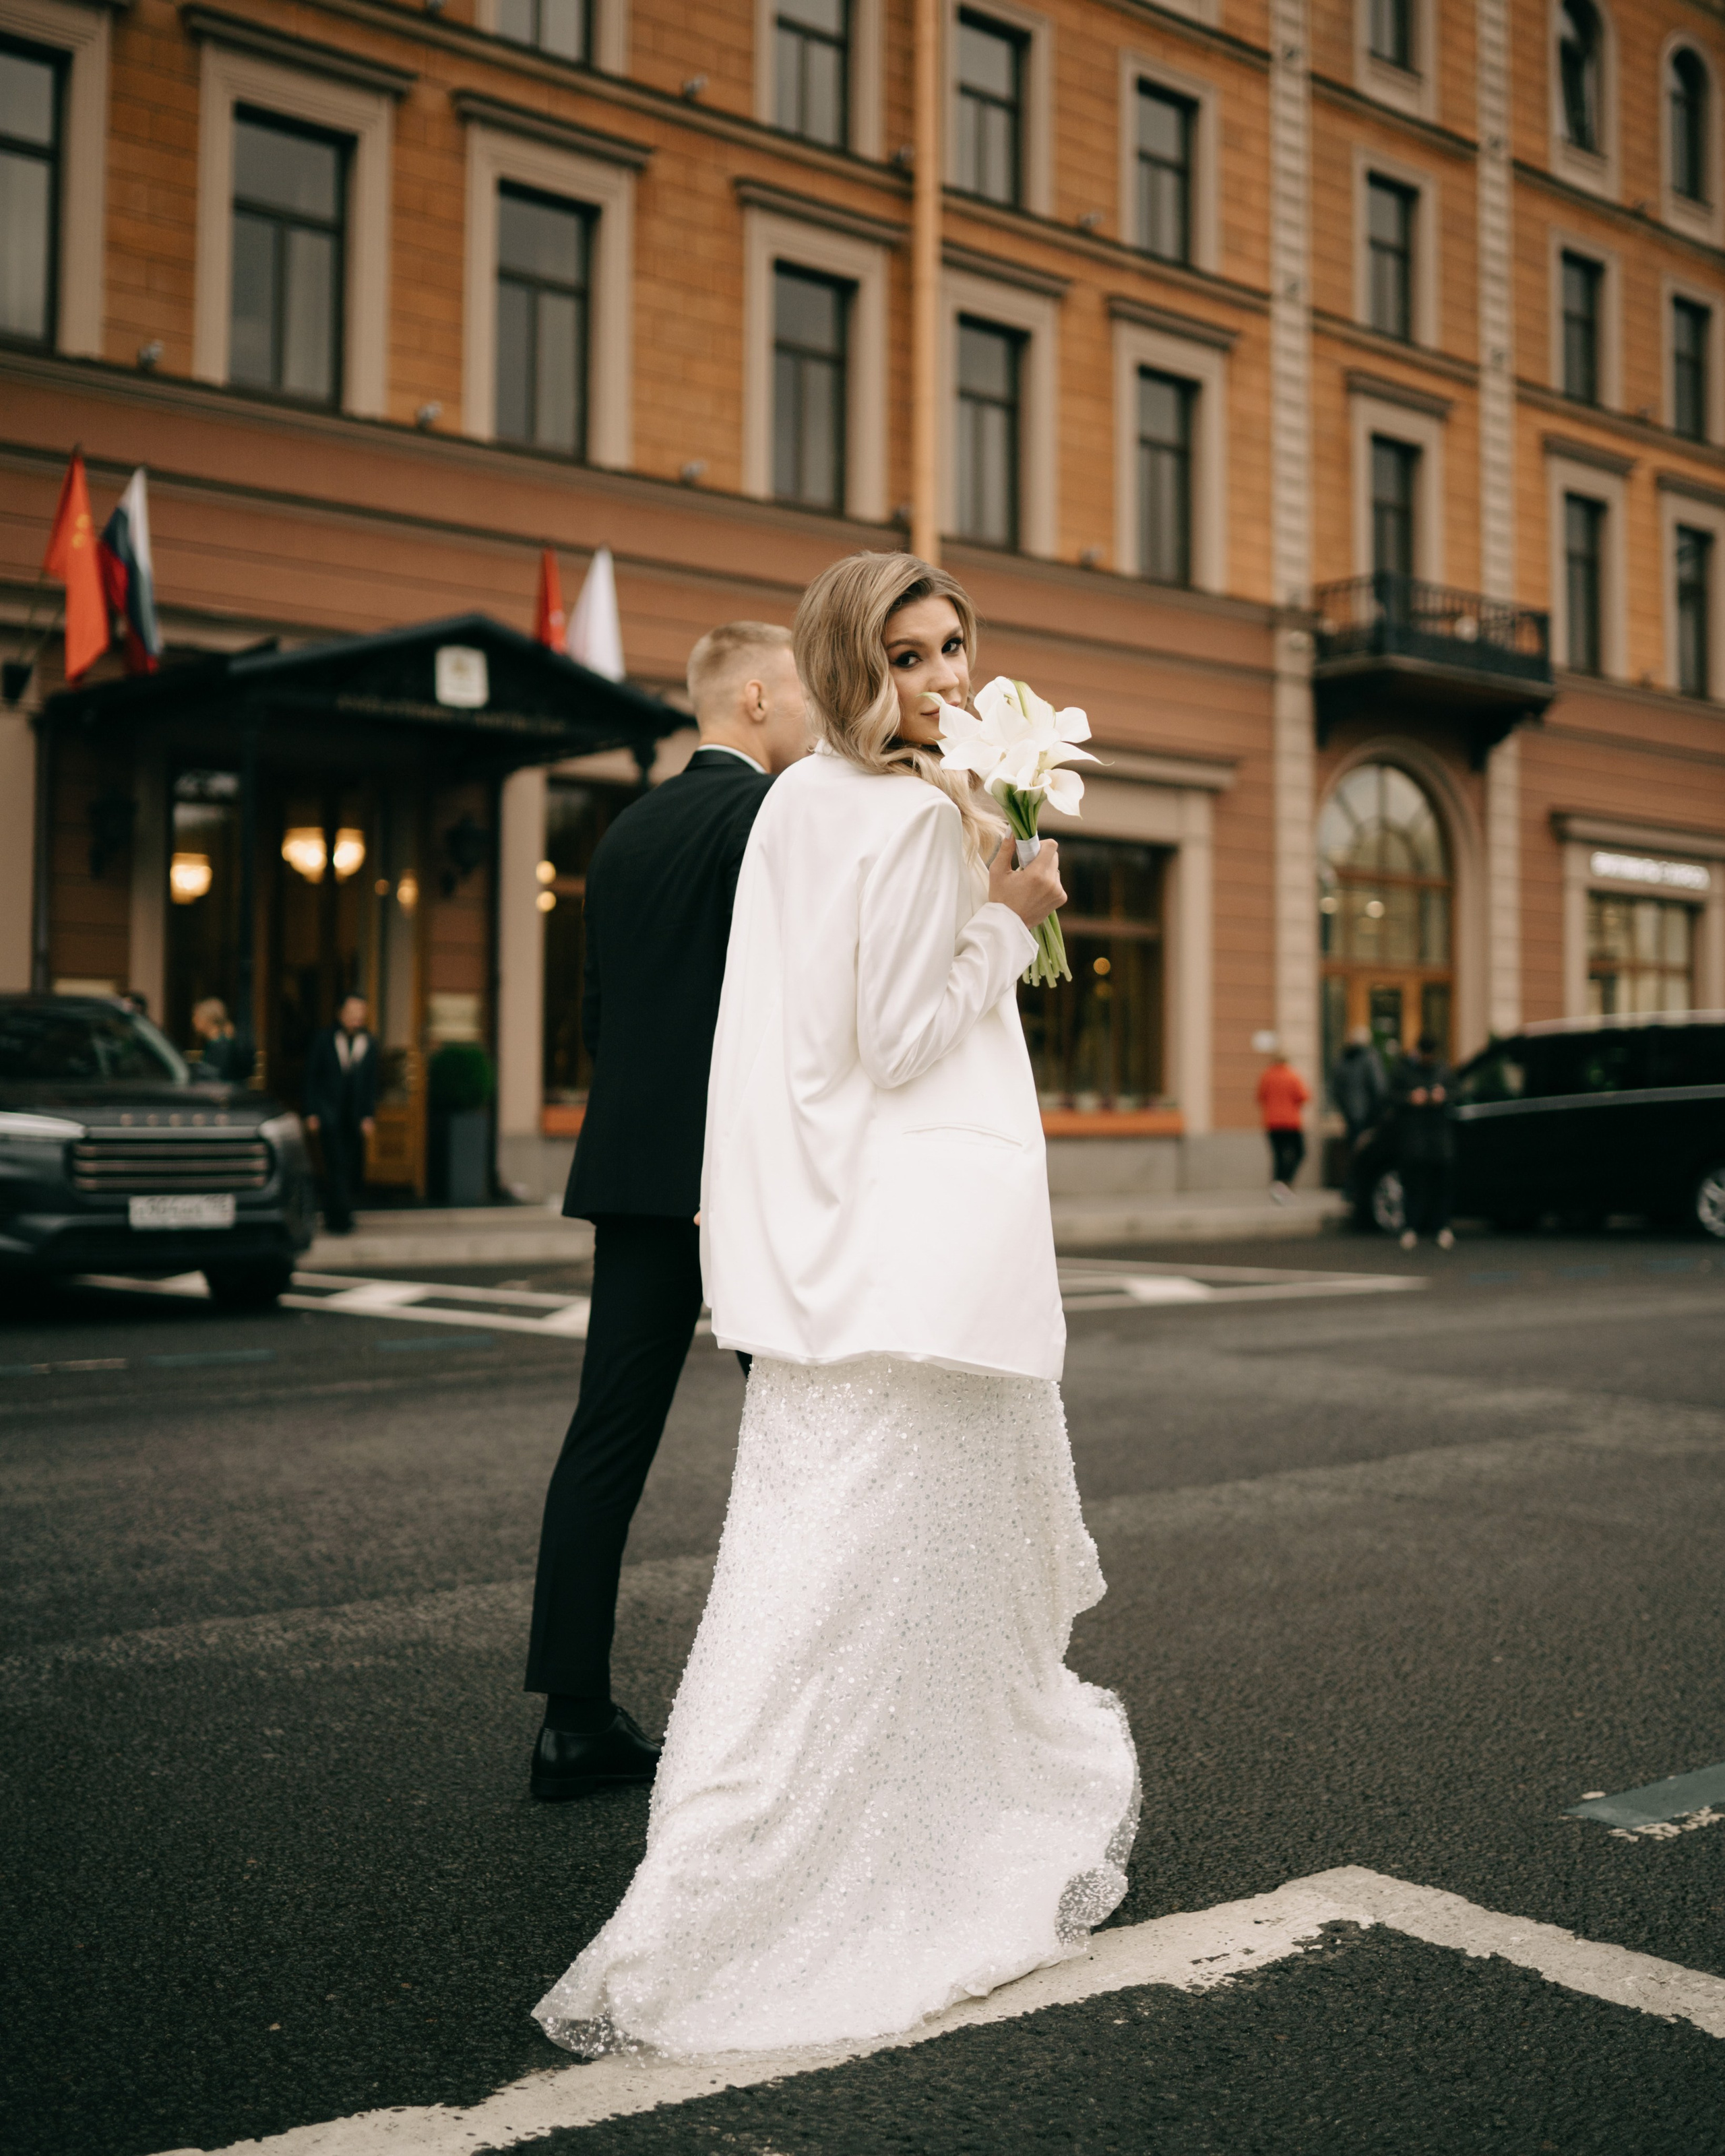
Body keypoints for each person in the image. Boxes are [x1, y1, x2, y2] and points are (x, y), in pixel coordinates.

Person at [534, 551, 1139, 2062]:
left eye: (954, 648)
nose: (945, 678)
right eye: (911, 654)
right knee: (879, 1550)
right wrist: (1011, 912)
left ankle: (720, 1828)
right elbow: (899, 1036)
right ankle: (874, 1836)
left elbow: (769, 1023)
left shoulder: (796, 801)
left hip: (779, 1215)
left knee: (797, 1545)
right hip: (904, 1238)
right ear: (841, 664)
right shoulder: (906, 818)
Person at [523, 621, 811, 1801]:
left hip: (635, 1179)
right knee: (809, 1438)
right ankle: (804, 1716)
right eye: (805, 690)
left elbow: (602, 1020)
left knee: (605, 1441)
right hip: (741, 1182)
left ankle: (572, 1720)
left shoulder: (623, 832)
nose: (819, 712)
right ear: (756, 698)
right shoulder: (777, 816)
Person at [303, 992, 377, 1236]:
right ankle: (339, 1219)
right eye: (352, 1013)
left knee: (350, 1166)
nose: (357, 1018)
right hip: (329, 1113)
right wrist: (311, 1112)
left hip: (354, 1117)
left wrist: (368, 1115)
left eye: (360, 1014)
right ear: (341, 1013)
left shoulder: (369, 1043)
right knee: (335, 1164)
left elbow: (371, 1083)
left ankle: (339, 1212)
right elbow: (311, 1077)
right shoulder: (324, 1039)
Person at [1393, 1031, 1455, 1250]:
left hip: (1439, 1140)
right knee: (1414, 1186)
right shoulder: (1405, 1070)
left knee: (1440, 1186)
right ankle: (1411, 1227)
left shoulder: (1443, 1070)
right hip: (1415, 1139)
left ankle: (1441, 1228)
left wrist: (1444, 1096)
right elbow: (1390, 1096)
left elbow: (1457, 1093)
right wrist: (1410, 1098)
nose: (1428, 1058)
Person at [1330, 1024, 1388, 1199]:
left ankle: (1350, 1187)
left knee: (1352, 1149)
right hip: (1367, 1114)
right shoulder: (1370, 1057)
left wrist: (1345, 1108)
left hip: (1350, 1113)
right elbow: (1379, 1087)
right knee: (1365, 1151)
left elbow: (1336, 1090)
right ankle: (1357, 1188)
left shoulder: (1343, 1059)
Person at [1256, 1040, 1310, 1202]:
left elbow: (1260, 1097)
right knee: (1299, 1152)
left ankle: (1277, 1186)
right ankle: (1285, 1183)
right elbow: (1304, 1096)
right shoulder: (1292, 1076)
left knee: (1278, 1156)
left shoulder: (1267, 1076)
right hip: (1291, 1123)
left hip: (1272, 1123)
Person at [189, 996, 252, 1085]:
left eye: (196, 1016)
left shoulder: (221, 1047)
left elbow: (216, 1077)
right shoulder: (215, 1044)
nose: (193, 1020)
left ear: (208, 1018)